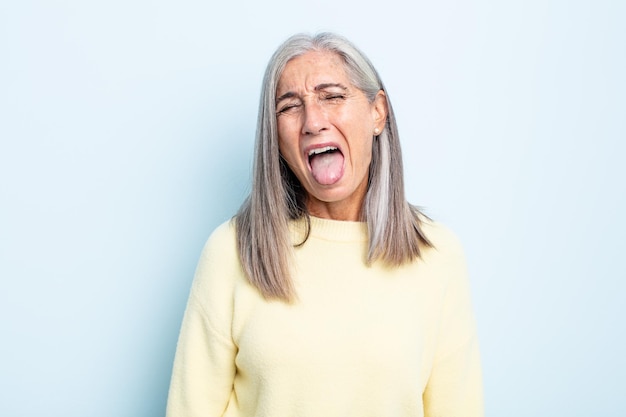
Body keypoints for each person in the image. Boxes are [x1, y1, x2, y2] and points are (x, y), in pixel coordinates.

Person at [166, 32, 483, 417]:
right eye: (289, 107)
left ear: (377, 112)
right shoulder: (233, 251)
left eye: (332, 96)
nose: (313, 121)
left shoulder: (437, 254)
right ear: (275, 136)